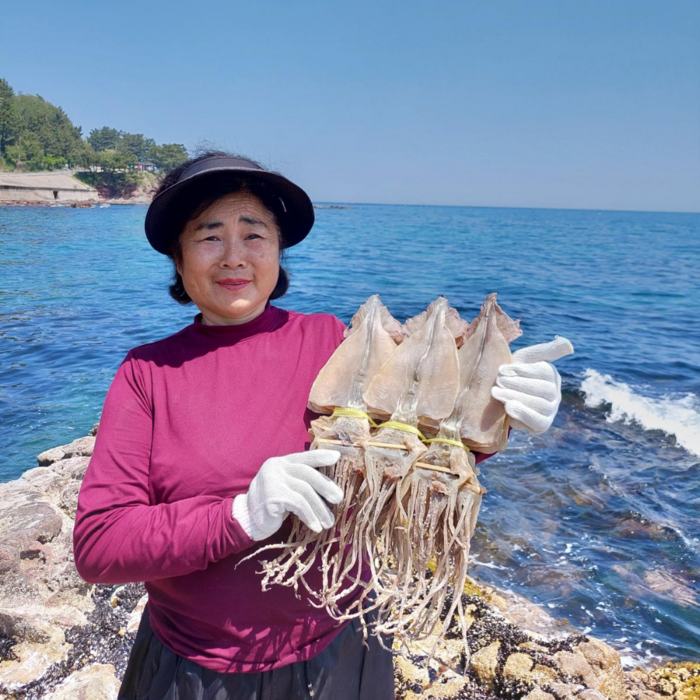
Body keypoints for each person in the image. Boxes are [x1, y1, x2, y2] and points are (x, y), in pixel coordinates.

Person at [73, 152, 565, 700]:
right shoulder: (147, 373)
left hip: (342, 649)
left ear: (278, 251)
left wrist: (503, 412)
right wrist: (240, 515)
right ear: (179, 258)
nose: (234, 256)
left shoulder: (333, 341)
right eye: (209, 236)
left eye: (254, 234)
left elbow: (419, 449)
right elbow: (100, 547)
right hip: (192, 668)